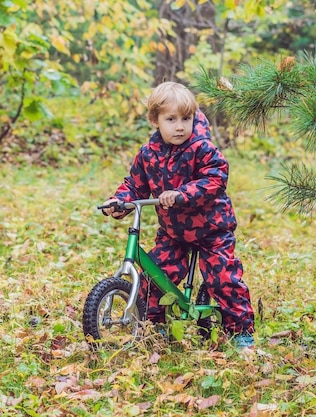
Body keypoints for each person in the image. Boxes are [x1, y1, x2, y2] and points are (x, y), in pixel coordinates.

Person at [101, 81, 255, 349]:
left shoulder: (202, 148)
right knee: (155, 274)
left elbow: (215, 178)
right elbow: (135, 185)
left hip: (211, 229)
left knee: (223, 279)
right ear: (155, 120)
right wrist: (120, 201)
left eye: (186, 118)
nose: (180, 126)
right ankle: (155, 325)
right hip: (174, 232)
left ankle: (240, 331)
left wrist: (182, 193)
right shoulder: (148, 154)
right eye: (171, 119)